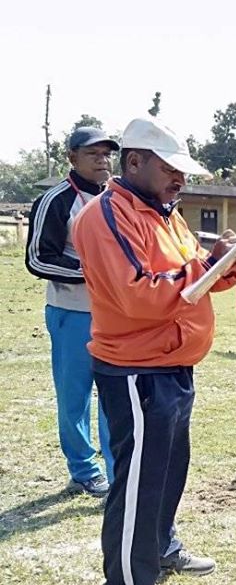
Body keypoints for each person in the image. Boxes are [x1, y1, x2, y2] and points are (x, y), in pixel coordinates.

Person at [73, 117, 236, 585]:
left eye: (183, 171)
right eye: (170, 169)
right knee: (138, 482)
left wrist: (229, 263)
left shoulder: (163, 214)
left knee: (168, 471)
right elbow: (140, 292)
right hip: (136, 369)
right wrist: (206, 268)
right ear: (135, 162)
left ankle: (159, 548)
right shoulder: (106, 215)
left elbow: (191, 279)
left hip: (172, 365)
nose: (181, 179)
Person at [25, 127, 119, 497]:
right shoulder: (57, 200)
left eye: (106, 154)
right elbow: (37, 258)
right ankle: (83, 469)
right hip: (72, 313)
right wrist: (91, 275)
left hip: (115, 316)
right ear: (72, 157)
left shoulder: (118, 198)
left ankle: (117, 470)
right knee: (74, 396)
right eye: (93, 154)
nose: (102, 160)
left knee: (114, 394)